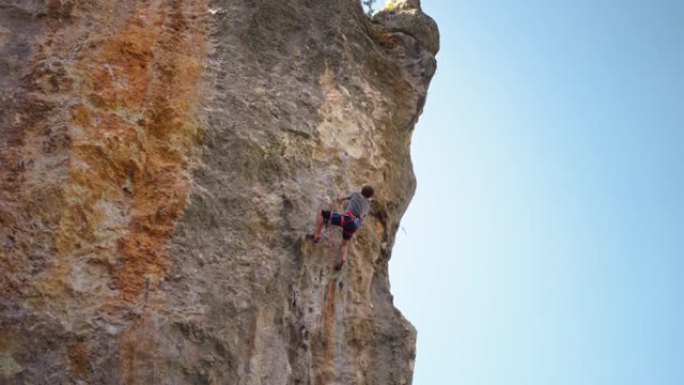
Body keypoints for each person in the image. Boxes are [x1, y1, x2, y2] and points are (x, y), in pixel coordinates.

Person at [307, 186, 374, 270]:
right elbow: (362, 216)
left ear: (362, 190)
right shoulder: (367, 207)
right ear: (370, 196)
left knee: (322, 214)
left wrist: (339, 199)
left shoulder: (356, 194)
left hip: (346, 218)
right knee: (344, 243)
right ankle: (342, 259)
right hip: (354, 225)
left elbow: (341, 198)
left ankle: (316, 236)